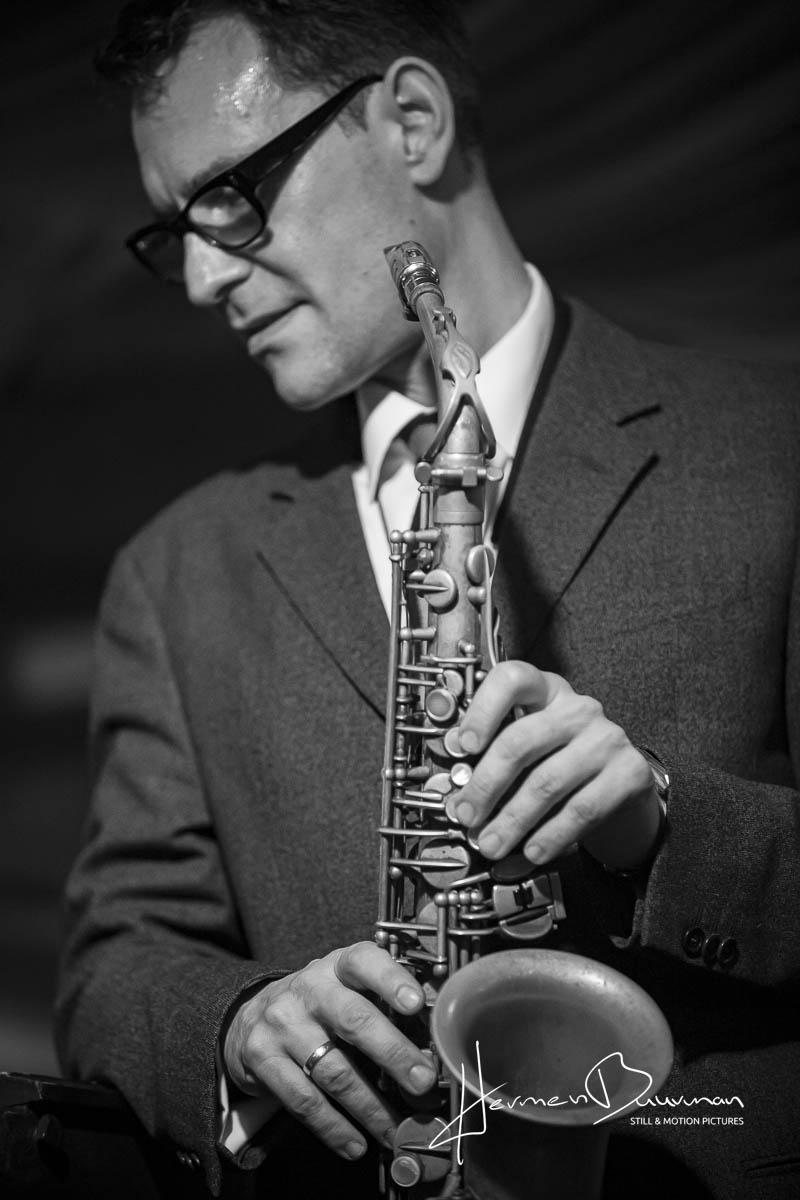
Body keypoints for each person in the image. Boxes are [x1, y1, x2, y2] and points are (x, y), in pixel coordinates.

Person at [55, 2, 800, 1198]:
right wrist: (238, 1022)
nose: (199, 277)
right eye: (172, 234)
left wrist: (664, 824)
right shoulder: (174, 567)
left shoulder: (773, 454)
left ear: (411, 119)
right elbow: (111, 963)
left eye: (227, 201)